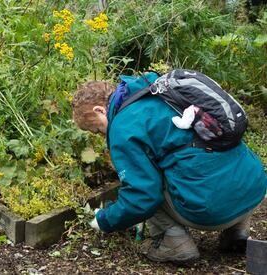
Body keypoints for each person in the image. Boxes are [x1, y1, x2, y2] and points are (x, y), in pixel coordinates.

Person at [72, 73, 267, 263]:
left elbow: (142, 196)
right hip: (252, 188)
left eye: (96, 129)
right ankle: (237, 231)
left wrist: (105, 220)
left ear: (100, 110)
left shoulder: (123, 127)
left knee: (148, 183)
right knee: (209, 158)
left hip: (210, 210)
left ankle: (175, 243)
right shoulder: (160, 90)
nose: (100, 135)